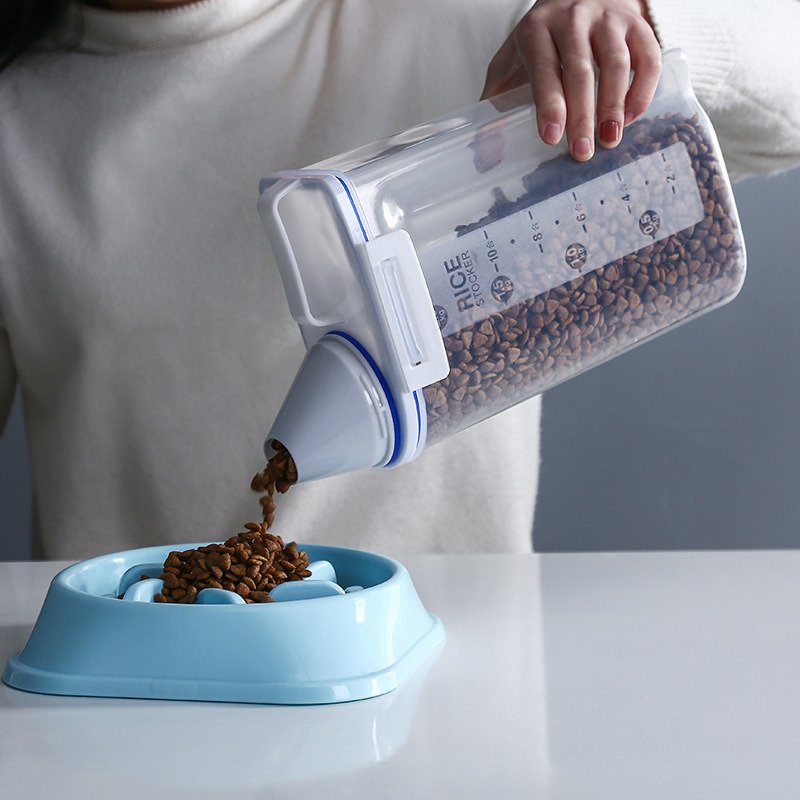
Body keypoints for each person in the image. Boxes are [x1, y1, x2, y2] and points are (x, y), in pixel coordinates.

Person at [0, 0, 798, 561]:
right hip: (131, 706)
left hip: (460, 704)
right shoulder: (20, 125)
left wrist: (642, 22)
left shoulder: (455, 18)